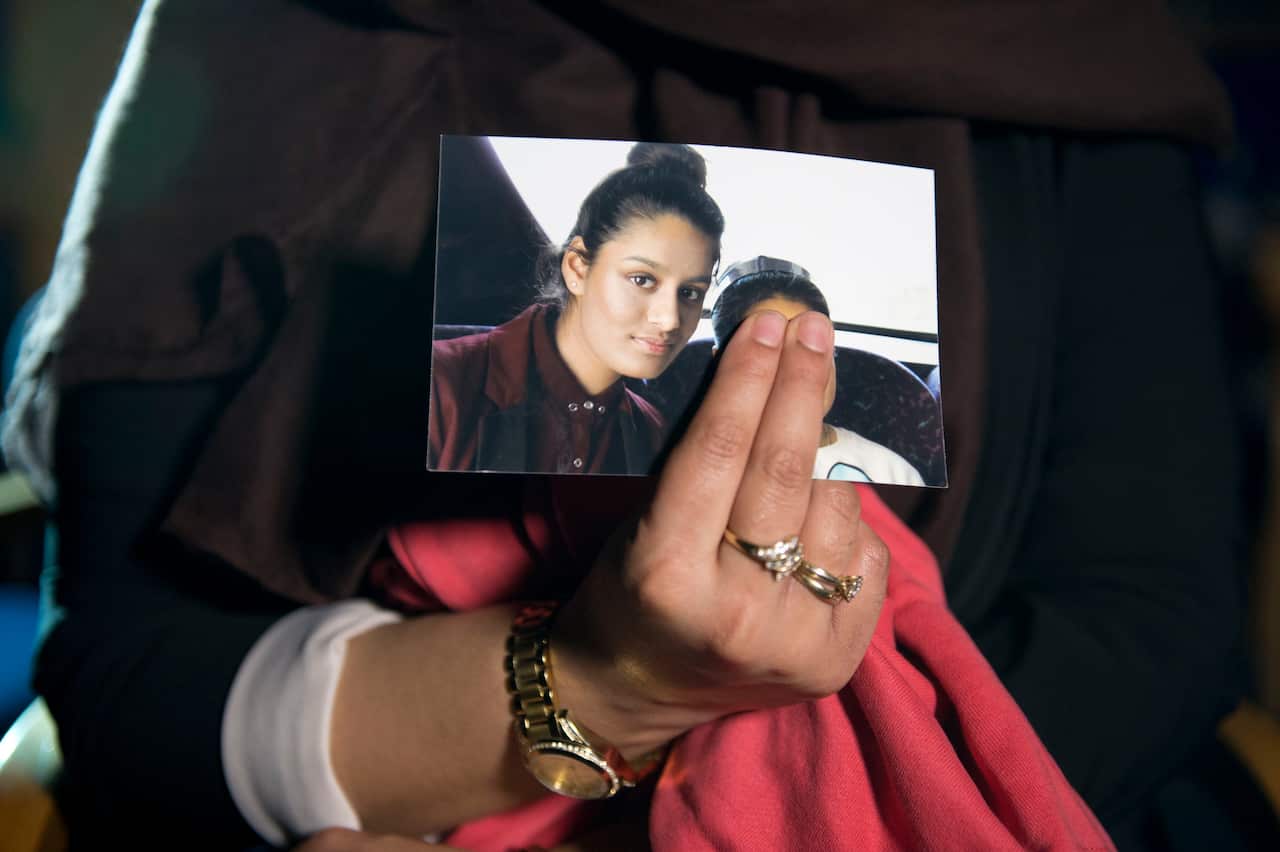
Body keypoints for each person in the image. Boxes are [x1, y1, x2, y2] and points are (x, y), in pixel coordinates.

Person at [0, 1, 1246, 849]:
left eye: (688, 295)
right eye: (638, 283)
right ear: (573, 261)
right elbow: (124, 689)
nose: (662, 319)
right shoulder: (286, 37)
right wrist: (611, 681)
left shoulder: (1063, 45)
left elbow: (1149, 627)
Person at [428, 142, 723, 475]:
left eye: (689, 292)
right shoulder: (440, 385)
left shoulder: (650, 434)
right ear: (578, 268)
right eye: (642, 279)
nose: (670, 319)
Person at [710, 256, 927, 486]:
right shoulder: (698, 469)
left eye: (812, 346)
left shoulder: (893, 472)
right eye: (769, 348)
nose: (798, 372)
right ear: (720, 363)